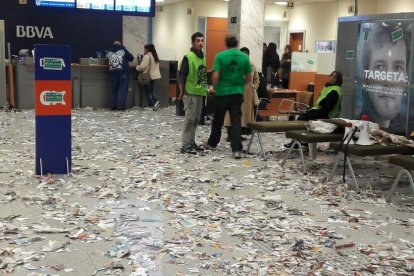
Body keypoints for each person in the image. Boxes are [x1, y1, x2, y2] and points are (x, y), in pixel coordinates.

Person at [204, 33, 253, 159]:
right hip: (237, 93)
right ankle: (236, 150)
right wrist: (240, 85)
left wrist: (215, 87)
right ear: (236, 43)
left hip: (222, 93)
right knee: (236, 121)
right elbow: (249, 77)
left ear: (226, 43)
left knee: (218, 120)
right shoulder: (244, 57)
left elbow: (215, 76)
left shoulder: (220, 56)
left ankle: (212, 143)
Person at [356, 21, 411, 133]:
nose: (389, 81)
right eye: (380, 67)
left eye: (398, 68)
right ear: (365, 77)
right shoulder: (356, 128)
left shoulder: (406, 133)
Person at [284, 70, 343, 148]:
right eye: (331, 75)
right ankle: (304, 141)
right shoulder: (329, 87)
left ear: (338, 79)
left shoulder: (335, 91)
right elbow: (322, 102)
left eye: (334, 77)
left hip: (327, 115)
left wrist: (314, 112)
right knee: (304, 117)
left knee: (301, 119)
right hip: (321, 111)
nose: (332, 77)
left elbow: (327, 108)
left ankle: (296, 142)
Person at [178, 32, 208, 154]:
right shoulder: (188, 57)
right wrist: (181, 92)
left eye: (202, 40)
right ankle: (185, 144)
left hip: (200, 92)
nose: (201, 43)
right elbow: (181, 76)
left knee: (196, 119)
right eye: (198, 41)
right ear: (192, 43)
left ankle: (191, 142)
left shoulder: (202, 57)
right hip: (190, 92)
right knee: (189, 119)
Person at [224, 47, 260, 141]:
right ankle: (231, 134)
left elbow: (256, 80)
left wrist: (254, 87)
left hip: (247, 94)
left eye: (246, 53)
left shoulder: (252, 66)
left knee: (244, 117)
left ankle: (239, 135)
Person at [107, 41, 134, 111]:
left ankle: (113, 105)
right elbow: (131, 58)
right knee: (123, 89)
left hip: (112, 72)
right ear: (120, 45)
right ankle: (121, 106)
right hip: (123, 72)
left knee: (114, 89)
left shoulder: (109, 52)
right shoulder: (123, 50)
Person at [136, 44, 162, 111]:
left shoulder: (147, 56)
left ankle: (154, 103)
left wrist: (137, 67)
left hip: (147, 76)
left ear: (147, 49)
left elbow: (142, 67)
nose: (144, 50)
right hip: (154, 76)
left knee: (149, 92)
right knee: (151, 91)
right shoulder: (155, 56)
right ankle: (154, 105)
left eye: (144, 49)